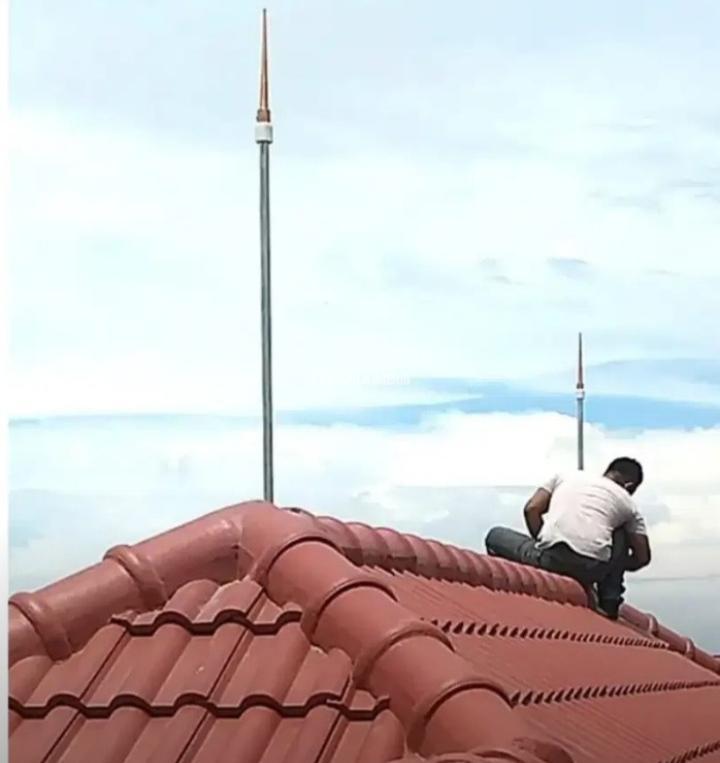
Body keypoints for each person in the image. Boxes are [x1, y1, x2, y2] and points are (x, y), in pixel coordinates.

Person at [484, 457, 651, 619]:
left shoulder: (566, 476)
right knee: (622, 533)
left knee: (495, 535)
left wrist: (541, 542)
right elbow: (642, 557)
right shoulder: (629, 505)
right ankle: (609, 600)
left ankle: (504, 594)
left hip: (550, 559)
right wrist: (613, 564)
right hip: (593, 568)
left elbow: (532, 509)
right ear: (629, 485)